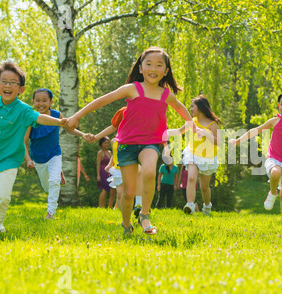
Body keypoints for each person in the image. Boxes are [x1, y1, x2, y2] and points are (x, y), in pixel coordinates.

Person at [66, 46, 201, 237]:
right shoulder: (132, 89)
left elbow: (180, 108)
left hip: (151, 143)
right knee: (128, 193)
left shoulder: (165, 94)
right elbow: (102, 101)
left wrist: (192, 125)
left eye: (159, 65)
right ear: (140, 68)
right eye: (149, 64)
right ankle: (127, 224)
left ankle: (145, 215)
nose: (153, 68)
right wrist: (77, 116)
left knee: (148, 171)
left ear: (165, 71)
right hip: (127, 145)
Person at [0, 61, 67, 233]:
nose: (8, 85)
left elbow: (40, 118)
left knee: (2, 196)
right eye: (4, 81)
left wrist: (61, 122)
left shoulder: (24, 110)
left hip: (8, 160)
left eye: (13, 82)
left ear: (21, 89)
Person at [229, 90, 282, 221]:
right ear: (278, 105)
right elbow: (256, 130)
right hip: (275, 158)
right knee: (275, 173)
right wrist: (237, 140)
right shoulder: (274, 121)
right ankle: (272, 192)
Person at [24, 88, 89, 219]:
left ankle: (50, 213)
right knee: (47, 188)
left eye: (44, 100)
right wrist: (28, 159)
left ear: (50, 102)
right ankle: (58, 175)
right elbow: (23, 142)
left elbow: (68, 128)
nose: (41, 103)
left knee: (54, 182)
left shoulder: (56, 115)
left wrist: (83, 135)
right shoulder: (31, 118)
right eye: (37, 100)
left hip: (54, 154)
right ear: (33, 102)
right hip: (38, 159)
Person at [168, 95, 221, 215]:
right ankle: (190, 205)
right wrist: (165, 132)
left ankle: (207, 206)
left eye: (193, 107)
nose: (190, 109)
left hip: (207, 157)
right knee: (191, 178)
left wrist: (206, 134)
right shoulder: (191, 122)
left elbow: (218, 142)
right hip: (192, 154)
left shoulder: (212, 124)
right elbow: (178, 131)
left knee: (204, 187)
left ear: (201, 108)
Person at [97, 136, 116, 208]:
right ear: (101, 144)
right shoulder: (100, 153)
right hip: (103, 172)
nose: (107, 144)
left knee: (113, 190)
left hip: (110, 172)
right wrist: (98, 175)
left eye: (108, 143)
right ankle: (100, 206)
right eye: (105, 143)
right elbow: (98, 165)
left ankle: (110, 207)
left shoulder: (110, 152)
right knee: (104, 189)